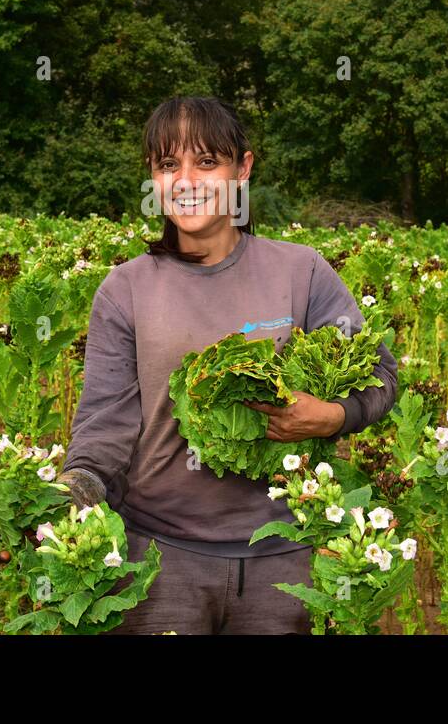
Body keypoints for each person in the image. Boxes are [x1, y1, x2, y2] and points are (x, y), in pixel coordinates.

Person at [56, 96, 398, 634]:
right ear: (153, 176)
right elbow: (105, 423)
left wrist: (332, 415)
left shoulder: (300, 271)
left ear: (243, 168)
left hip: (283, 555)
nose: (187, 180)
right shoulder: (126, 289)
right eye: (169, 165)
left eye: (207, 162)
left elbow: (379, 373)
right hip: (158, 557)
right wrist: (77, 486)